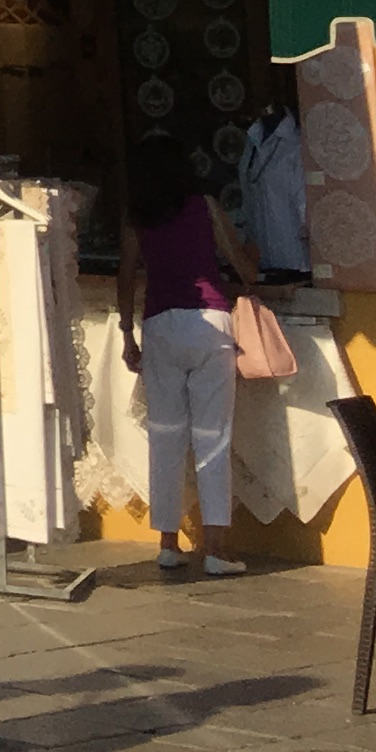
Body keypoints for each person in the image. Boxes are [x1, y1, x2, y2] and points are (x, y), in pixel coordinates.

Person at [117, 132, 260, 577]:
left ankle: (167, 543)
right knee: (213, 438)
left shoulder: (136, 217)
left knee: (165, 438)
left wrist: (127, 334)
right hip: (209, 323)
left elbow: (126, 276)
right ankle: (216, 549)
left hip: (160, 326)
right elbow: (243, 268)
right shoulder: (206, 206)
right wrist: (252, 260)